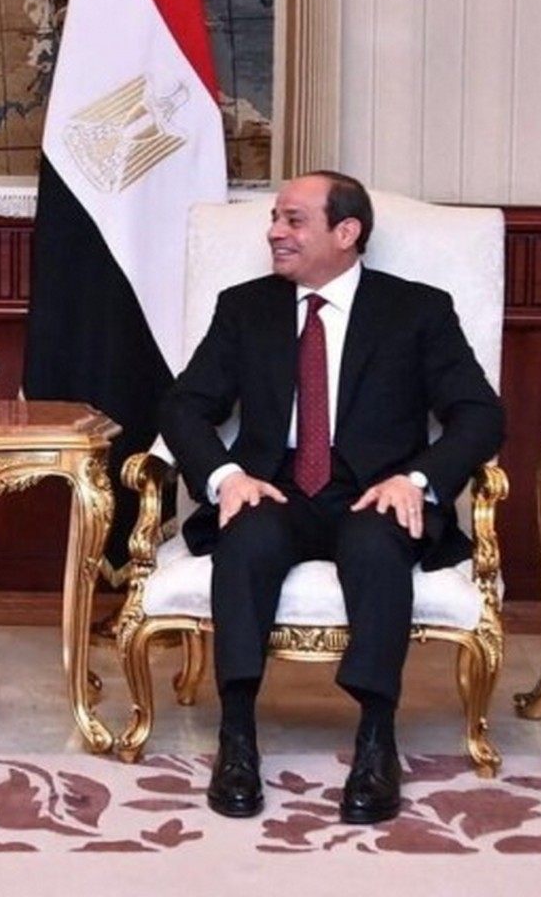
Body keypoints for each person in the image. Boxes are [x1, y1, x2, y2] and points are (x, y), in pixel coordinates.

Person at [160, 171, 504, 824]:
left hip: (376, 490)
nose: (274, 232)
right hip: (274, 484)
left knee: (377, 546)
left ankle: (376, 738)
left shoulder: (417, 310)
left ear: (346, 232)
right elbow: (184, 406)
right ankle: (237, 735)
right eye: (275, 219)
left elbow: (480, 415)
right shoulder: (245, 308)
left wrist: (416, 480)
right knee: (247, 536)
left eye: (293, 220)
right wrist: (226, 476)